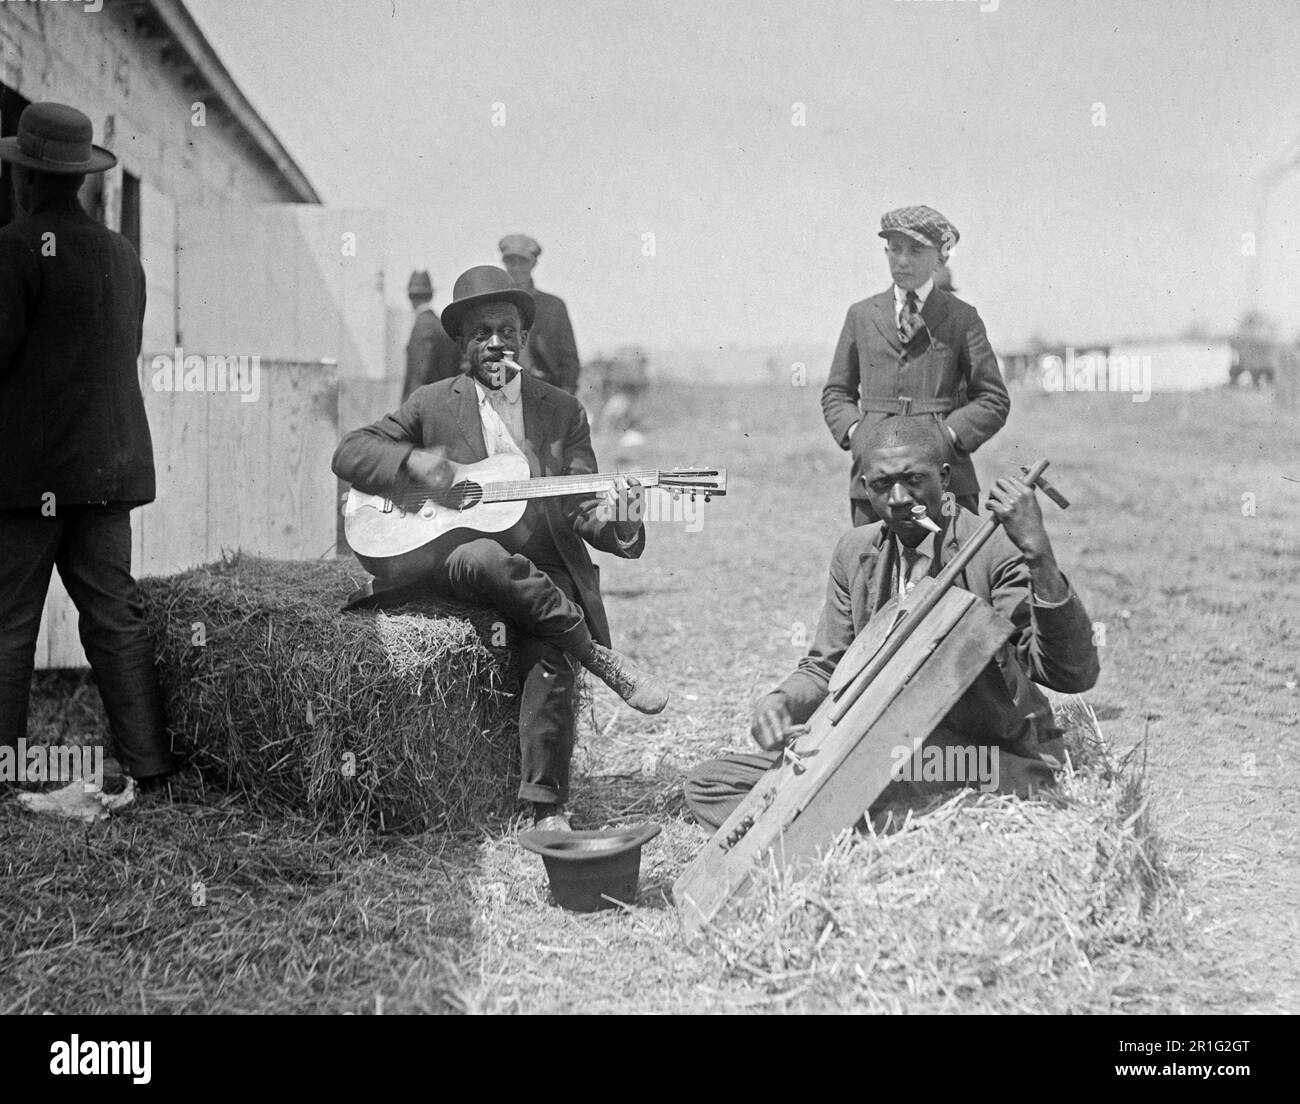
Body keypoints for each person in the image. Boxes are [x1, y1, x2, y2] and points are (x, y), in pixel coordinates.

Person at [333, 266, 668, 832]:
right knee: (485, 557)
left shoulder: (562, 411)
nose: (496, 343)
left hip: (541, 565)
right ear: (463, 343)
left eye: (507, 331)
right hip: (454, 556)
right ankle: (598, 657)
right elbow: (349, 452)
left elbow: (582, 506)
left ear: (523, 338)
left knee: (545, 635)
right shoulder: (432, 403)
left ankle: (545, 809)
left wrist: (623, 520)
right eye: (482, 332)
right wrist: (414, 463)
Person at [684, 416, 1099, 830]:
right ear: (865, 488)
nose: (900, 498)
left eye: (914, 479)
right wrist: (780, 701)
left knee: (876, 770)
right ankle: (859, 832)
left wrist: (1039, 554)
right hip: (879, 749)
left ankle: (848, 827)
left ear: (945, 477)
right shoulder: (854, 552)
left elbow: (1068, 673)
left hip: (981, 755)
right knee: (709, 785)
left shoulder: (992, 548)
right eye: (882, 485)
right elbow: (827, 666)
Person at [0, 102, 175, 796]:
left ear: (24, 175)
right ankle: (150, 765)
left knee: (9, 623)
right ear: (80, 178)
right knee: (114, 616)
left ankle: (6, 771)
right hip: (109, 471)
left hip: (28, 477)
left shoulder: (14, 247)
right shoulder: (121, 254)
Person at [822, 205, 1010, 526]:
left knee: (950, 568)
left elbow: (993, 399)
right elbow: (837, 393)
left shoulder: (963, 317)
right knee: (872, 568)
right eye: (895, 249)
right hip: (876, 478)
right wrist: (859, 435)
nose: (903, 260)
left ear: (941, 258)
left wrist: (947, 435)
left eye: (916, 250)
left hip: (943, 476)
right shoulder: (862, 315)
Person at [498, 234, 581, 395]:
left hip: (543, 392)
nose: (516, 268)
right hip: (499, 390)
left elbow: (569, 361)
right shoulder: (490, 304)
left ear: (534, 263)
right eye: (510, 261)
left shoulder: (552, 307)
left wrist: (565, 400)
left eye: (523, 262)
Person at [400, 268, 461, 399]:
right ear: (431, 295)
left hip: (425, 409)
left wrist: (408, 414)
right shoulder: (442, 326)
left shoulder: (422, 326)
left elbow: (420, 375)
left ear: (410, 297)